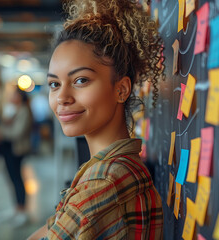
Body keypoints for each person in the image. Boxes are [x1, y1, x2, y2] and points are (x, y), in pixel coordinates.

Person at [28, 0, 164, 239]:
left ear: (121, 89)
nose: (62, 97)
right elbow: (55, 226)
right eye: (54, 84)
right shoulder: (116, 168)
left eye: (80, 80)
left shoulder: (104, 183)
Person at [0, 88, 33, 225]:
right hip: (8, 149)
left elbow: (17, 132)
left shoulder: (24, 110)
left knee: (17, 178)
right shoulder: (12, 109)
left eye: (15, 95)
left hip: (17, 149)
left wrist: (1, 132)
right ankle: (17, 207)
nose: (12, 97)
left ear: (20, 97)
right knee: (12, 178)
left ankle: (22, 210)